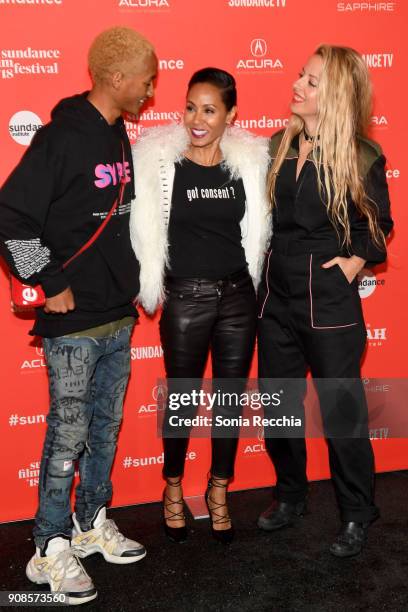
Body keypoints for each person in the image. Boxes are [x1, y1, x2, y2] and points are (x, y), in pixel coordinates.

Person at [0, 26, 157, 604]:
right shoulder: (60, 137)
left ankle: (91, 524)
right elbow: (11, 215)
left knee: (104, 429)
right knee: (66, 436)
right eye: (145, 79)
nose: (150, 89)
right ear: (116, 78)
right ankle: (49, 546)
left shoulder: (119, 134)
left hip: (117, 316)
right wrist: (49, 279)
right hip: (73, 325)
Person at [257, 45, 393, 557]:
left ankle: (358, 512)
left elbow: (378, 229)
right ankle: (291, 497)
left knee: (342, 416)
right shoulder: (277, 145)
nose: (298, 85)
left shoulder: (360, 156)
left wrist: (355, 262)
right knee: (281, 408)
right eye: (300, 74)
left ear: (333, 94)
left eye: (312, 81)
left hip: (329, 303)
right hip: (275, 299)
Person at [130, 67, 270, 544]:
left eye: (209, 110)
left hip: (237, 298)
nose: (197, 118)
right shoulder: (161, 164)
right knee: (182, 400)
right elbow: (142, 231)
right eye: (191, 106)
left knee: (230, 400)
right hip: (186, 297)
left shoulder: (247, 165)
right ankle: (172, 488)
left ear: (230, 115)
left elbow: (257, 231)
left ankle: (218, 490)